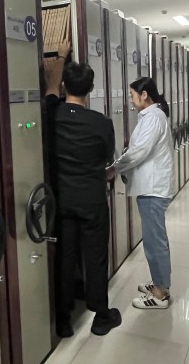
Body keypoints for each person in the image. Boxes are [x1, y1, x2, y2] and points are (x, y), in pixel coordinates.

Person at [44, 41, 121, 337]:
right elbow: (107, 158)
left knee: (64, 257)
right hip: (92, 200)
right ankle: (101, 316)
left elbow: (51, 90)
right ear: (90, 90)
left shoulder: (52, 113)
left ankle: (63, 321)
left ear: (66, 86)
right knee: (96, 256)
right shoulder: (101, 123)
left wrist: (60, 57)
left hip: (62, 200)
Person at [108, 77, 175, 310]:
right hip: (152, 187)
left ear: (144, 94)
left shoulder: (153, 118)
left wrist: (114, 168)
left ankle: (160, 293)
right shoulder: (152, 116)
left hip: (153, 189)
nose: (130, 99)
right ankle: (159, 281)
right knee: (154, 238)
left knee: (154, 241)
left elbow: (138, 152)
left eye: (132, 95)